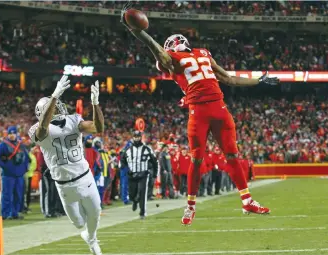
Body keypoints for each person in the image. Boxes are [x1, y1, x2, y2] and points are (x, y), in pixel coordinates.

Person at [121, 3, 278, 226]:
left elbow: (229, 78)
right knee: (197, 158)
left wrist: (259, 80)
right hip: (200, 111)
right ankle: (191, 205)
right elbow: (156, 50)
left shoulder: (203, 53)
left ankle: (247, 200)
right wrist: (137, 31)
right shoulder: (171, 59)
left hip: (219, 108)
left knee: (232, 155)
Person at [28, 76, 104, 255]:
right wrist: (53, 97)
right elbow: (43, 131)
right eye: (53, 107)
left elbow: (97, 128)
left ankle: (92, 239)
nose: (58, 108)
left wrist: (95, 104)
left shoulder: (74, 120)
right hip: (64, 185)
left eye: (57, 104)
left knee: (95, 214)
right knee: (78, 223)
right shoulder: (36, 129)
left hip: (85, 177)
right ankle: (86, 233)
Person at [0, 126, 29, 220]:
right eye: (10, 133)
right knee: (7, 195)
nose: (12, 135)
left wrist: (24, 168)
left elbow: (26, 158)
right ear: (7, 134)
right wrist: (4, 166)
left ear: (17, 134)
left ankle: (14, 213)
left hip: (19, 174)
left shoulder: (21, 145)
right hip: (8, 174)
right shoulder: (3, 145)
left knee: (18, 195)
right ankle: (6, 214)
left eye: (13, 133)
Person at [121, 131, 158, 219]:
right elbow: (122, 160)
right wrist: (123, 168)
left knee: (142, 193)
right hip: (132, 174)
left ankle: (142, 212)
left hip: (144, 174)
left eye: (138, 137)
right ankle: (134, 200)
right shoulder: (128, 149)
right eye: (135, 137)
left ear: (140, 137)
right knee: (132, 194)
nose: (136, 138)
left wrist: (155, 173)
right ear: (133, 138)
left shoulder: (147, 148)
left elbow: (154, 161)